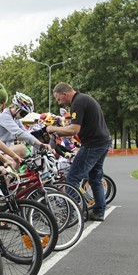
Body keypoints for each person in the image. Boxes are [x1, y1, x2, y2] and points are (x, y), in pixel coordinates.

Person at [46, 82, 112, 221]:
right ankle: (99, 211)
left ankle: (70, 213)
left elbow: (74, 129)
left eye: (59, 99)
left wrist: (54, 129)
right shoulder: (84, 99)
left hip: (92, 145)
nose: (59, 103)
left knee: (72, 178)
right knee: (95, 178)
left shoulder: (78, 102)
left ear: (65, 94)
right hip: (102, 142)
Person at [0, 92, 49, 159]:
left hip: (5, 147)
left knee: (20, 160)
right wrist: (40, 144)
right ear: (17, 108)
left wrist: (40, 145)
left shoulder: (15, 118)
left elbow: (25, 132)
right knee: (21, 149)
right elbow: (19, 133)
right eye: (23, 113)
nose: (23, 116)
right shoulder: (5, 116)